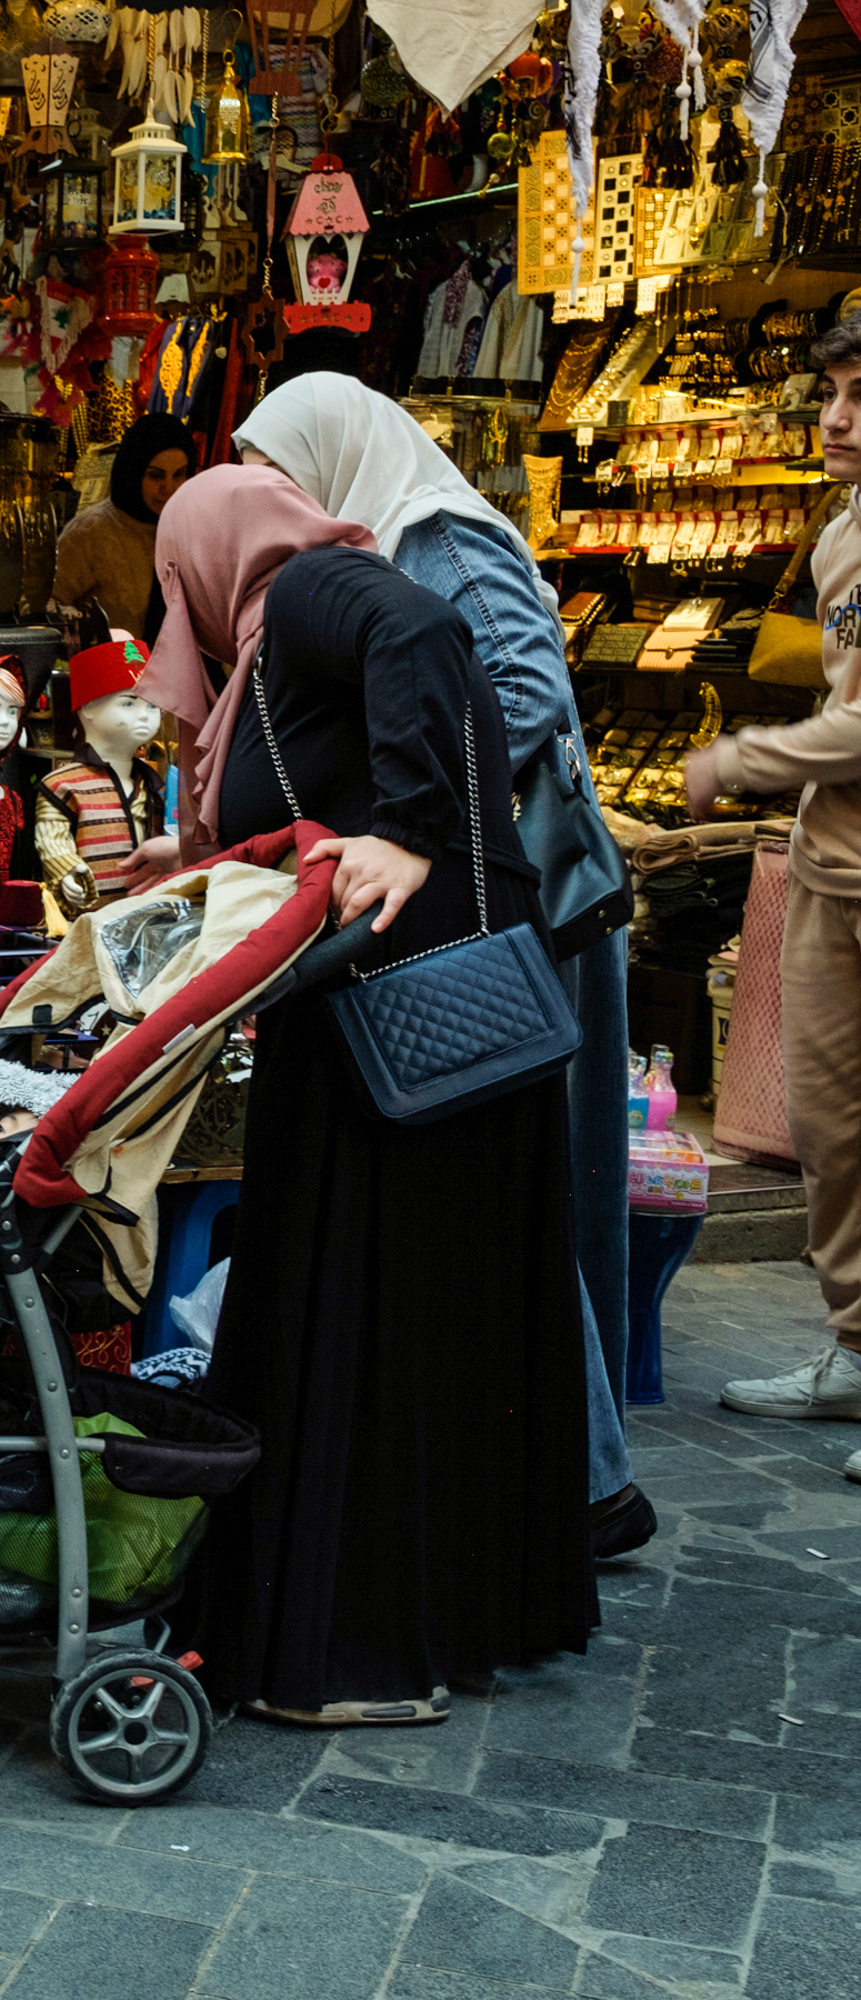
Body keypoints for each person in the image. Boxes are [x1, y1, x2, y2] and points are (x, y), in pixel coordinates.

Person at [148, 463, 595, 1725]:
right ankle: (435, 1620)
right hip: (407, 1015)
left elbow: (424, 629)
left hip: (407, 1012)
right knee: (413, 1308)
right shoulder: (277, 650)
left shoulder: (309, 591)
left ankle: (366, 1644)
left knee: (372, 1304)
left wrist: (406, 824)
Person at [233, 370, 653, 1560]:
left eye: (288, 469)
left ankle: (590, 1480)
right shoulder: (388, 543)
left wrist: (401, 809)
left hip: (525, 906)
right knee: (530, 1183)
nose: (281, 497)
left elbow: (526, 695)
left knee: (531, 1184)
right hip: (481, 893)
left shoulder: (440, 536)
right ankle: (570, 1469)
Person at [694, 315, 861, 1476]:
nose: (839, 419)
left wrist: (742, 762)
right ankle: (854, 1346)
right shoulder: (842, 534)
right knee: (828, 1124)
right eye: (835, 393)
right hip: (831, 865)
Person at [52, 412, 194, 639]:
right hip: (109, 670)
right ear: (134, 472)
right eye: (155, 476)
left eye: (179, 475)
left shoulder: (190, 529)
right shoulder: (91, 532)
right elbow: (46, 604)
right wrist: (88, 633)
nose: (168, 488)